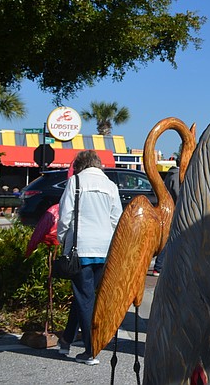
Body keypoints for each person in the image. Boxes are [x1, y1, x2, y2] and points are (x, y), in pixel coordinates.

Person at [56, 150, 122, 365]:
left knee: (85, 298)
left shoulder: (75, 182)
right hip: (104, 249)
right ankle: (66, 340)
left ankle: (91, 349)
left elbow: (65, 216)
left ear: (79, 165)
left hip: (80, 248)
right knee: (84, 296)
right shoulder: (111, 186)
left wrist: (61, 239)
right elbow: (116, 219)